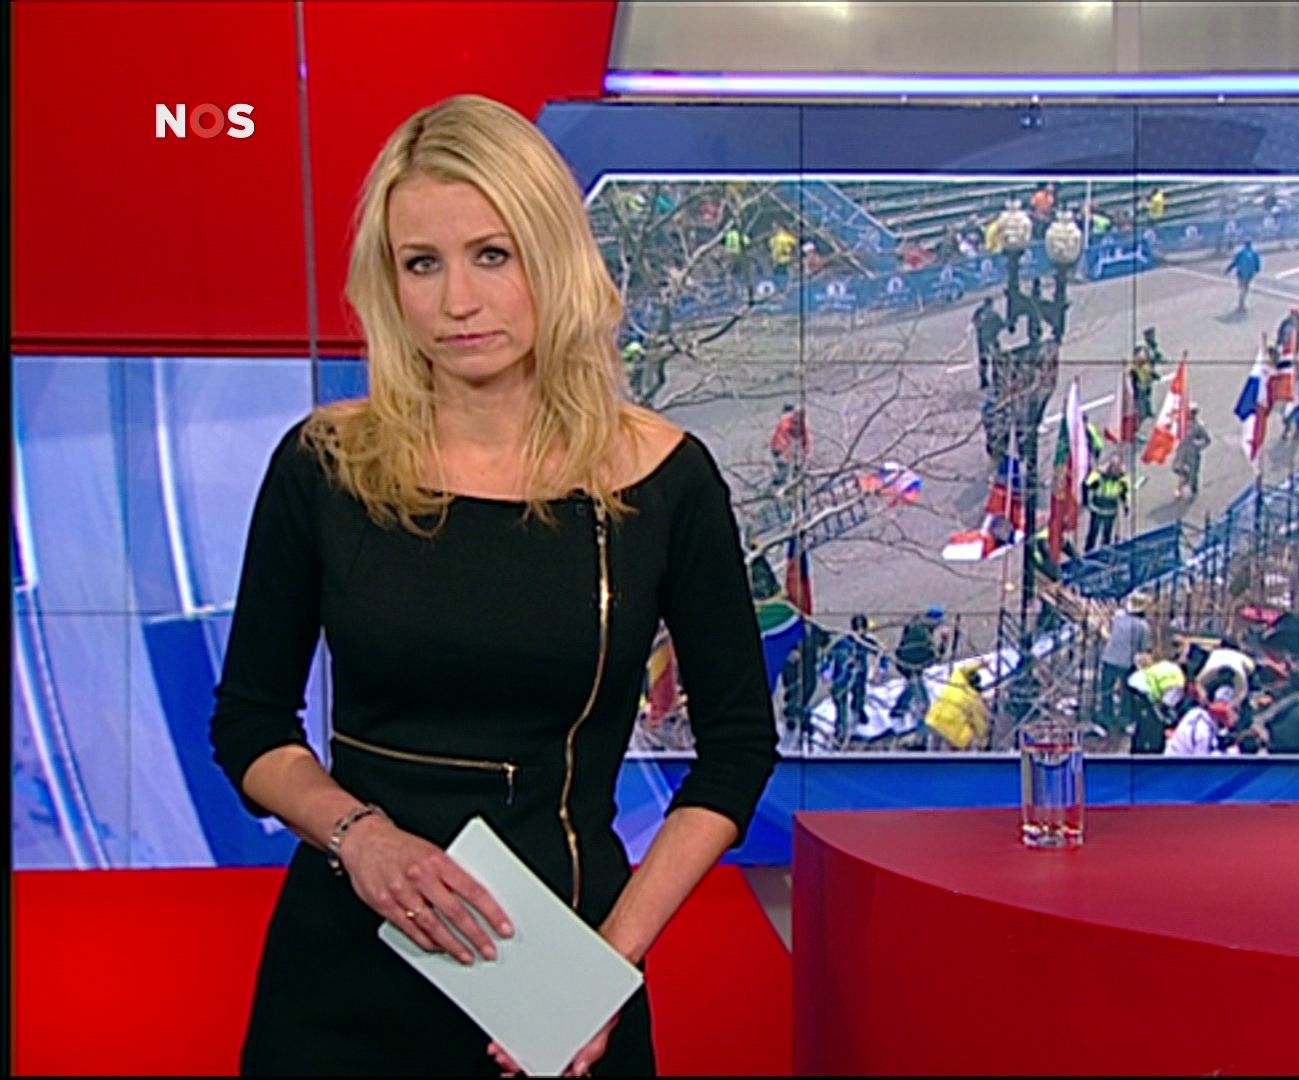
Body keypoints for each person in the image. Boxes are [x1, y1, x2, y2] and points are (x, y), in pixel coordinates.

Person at [208, 95, 777, 1077]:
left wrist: (604, 968)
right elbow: (250, 723)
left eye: (492, 255)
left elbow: (736, 752)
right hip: (345, 973)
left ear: (552, 258)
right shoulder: (323, 466)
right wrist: (361, 839)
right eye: (421, 264)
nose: (457, 302)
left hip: (560, 970)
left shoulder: (663, 480)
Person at [1098, 594, 1153, 735]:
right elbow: (1142, 648)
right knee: (1126, 694)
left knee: (1106, 691)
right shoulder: (1143, 626)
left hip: (1109, 658)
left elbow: (1109, 628)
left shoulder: (1119, 617)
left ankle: (1106, 717)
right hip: (1126, 663)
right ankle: (1125, 720)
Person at [824, 614, 879, 749]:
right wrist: (826, 670)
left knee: (859, 695)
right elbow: (827, 655)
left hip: (859, 676)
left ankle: (858, 709)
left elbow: (880, 653)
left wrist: (880, 668)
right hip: (841, 678)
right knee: (841, 705)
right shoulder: (842, 642)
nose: (861, 632)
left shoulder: (868, 642)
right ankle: (841, 732)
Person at [924, 661, 991, 751]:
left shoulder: (957, 679)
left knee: (931, 749)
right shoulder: (974, 700)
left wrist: (979, 664)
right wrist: (984, 744)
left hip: (936, 720)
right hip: (953, 735)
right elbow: (980, 725)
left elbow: (963, 669)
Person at [1083, 457, 1130, 551]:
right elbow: (1086, 485)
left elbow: (1124, 493)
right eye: (1114, 469)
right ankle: (1088, 552)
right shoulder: (1098, 475)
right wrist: (1087, 503)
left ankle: (1105, 553)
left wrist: (1126, 506)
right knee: (1093, 533)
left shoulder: (1122, 479)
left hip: (1110, 511)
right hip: (1097, 509)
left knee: (1107, 535)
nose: (1115, 472)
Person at [1172, 405, 1211, 499]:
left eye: (1192, 413)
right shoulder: (1181, 423)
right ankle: (1184, 481)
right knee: (1177, 468)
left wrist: (1198, 445)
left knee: (1193, 473)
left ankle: (1192, 491)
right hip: (1182, 451)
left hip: (1193, 453)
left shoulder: (1198, 426)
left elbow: (1207, 440)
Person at [769, 402, 810, 488]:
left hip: (778, 447)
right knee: (785, 467)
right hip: (780, 447)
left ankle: (780, 484)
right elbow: (804, 437)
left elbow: (803, 437)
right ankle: (781, 486)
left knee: (785, 467)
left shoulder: (789, 420)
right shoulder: (788, 420)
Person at [970, 297, 1004, 392]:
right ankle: (988, 379)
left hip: (988, 339)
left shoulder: (991, 314)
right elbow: (975, 322)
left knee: (993, 359)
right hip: (986, 339)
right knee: (988, 360)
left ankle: (992, 378)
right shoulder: (983, 313)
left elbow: (1001, 324)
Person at [1225, 239, 1262, 314]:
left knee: (1241, 288)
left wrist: (1228, 269)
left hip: (1241, 273)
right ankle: (1243, 302)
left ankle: (1240, 302)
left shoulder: (1241, 252)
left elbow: (1235, 262)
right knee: (1246, 288)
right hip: (1250, 274)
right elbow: (1258, 264)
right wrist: (1257, 270)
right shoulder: (1254, 252)